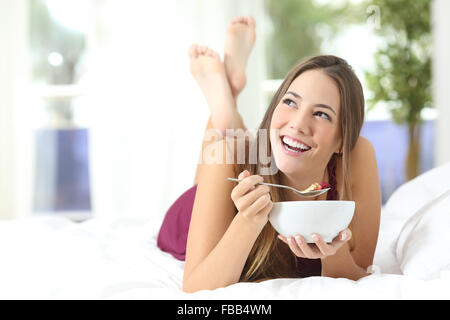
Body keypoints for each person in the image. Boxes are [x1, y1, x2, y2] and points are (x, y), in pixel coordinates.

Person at [157, 16, 381, 293]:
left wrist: (332, 251)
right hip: (194, 212)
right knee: (225, 153)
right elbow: (196, 287)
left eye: (321, 114)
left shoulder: (357, 156)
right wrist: (248, 220)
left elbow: (361, 271)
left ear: (342, 140)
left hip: (253, 151)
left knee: (234, 147)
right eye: (290, 102)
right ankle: (224, 110)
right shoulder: (228, 156)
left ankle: (226, 103)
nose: (299, 123)